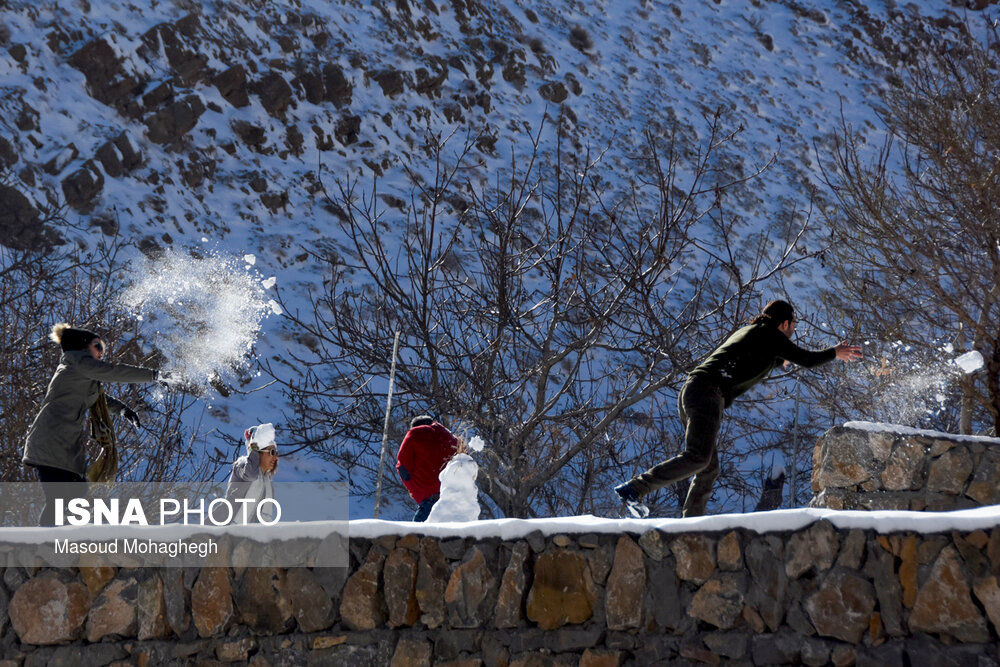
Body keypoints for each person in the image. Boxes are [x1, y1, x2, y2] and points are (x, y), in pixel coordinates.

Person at [614, 300, 862, 518]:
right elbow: (806, 360)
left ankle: (691, 523)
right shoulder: (770, 335)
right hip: (707, 393)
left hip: (695, 390)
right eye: (793, 326)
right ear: (785, 324)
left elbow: (752, 357)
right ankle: (635, 488)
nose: (793, 331)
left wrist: (779, 360)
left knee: (708, 468)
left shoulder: (754, 332)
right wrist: (835, 353)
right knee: (698, 457)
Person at [22, 323, 160, 526]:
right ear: (83, 346)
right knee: (59, 503)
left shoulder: (79, 371)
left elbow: (98, 397)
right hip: (50, 444)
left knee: (78, 498)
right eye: (99, 347)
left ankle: (65, 545)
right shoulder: (78, 361)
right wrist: (154, 376)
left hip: (65, 449)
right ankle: (44, 548)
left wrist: (123, 410)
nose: (102, 353)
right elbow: (113, 372)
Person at [396, 415, 458, 522]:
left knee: (417, 535)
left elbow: (403, 468)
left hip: (430, 500)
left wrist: (415, 489)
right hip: (455, 499)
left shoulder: (414, 434)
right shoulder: (450, 437)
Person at [223, 423, 279, 523]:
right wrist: (254, 450)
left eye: (276, 453)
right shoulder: (242, 465)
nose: (275, 457)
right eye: (272, 452)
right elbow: (250, 475)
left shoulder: (266, 480)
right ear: (258, 453)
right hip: (233, 530)